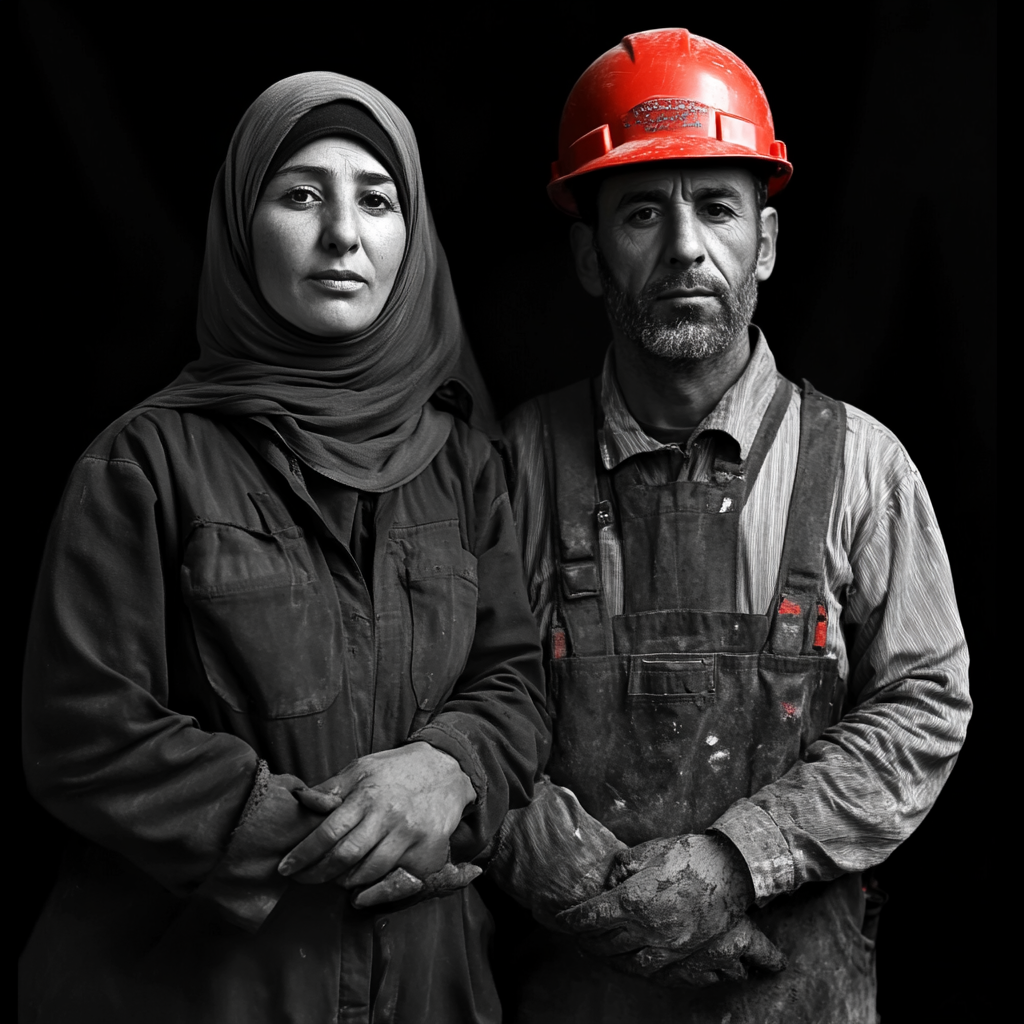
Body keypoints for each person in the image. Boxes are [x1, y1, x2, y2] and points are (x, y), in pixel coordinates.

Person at [20, 71, 547, 1024]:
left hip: (426, 987)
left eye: (377, 201)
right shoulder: (143, 463)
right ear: (238, 226)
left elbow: (514, 676)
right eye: (301, 194)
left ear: (412, 238)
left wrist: (451, 769)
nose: (343, 234)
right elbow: (84, 731)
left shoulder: (465, 467)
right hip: (201, 988)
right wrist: (342, 835)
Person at [488, 28, 971, 1023]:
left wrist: (734, 858)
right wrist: (566, 869)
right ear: (588, 252)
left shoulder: (860, 469)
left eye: (715, 207)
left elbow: (926, 705)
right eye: (639, 214)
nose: (682, 249)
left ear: (769, 240)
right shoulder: (512, 465)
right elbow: (443, 697)